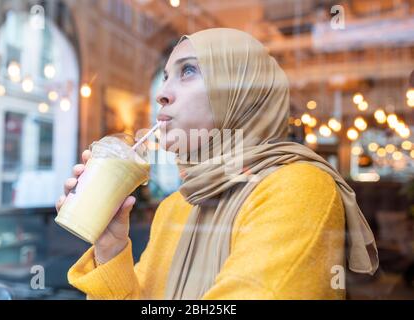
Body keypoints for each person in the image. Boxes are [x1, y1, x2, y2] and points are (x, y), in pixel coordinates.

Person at [56, 28, 378, 300]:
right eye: (166, 76)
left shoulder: (299, 189)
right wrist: (111, 246)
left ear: (241, 93)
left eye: (189, 71)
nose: (163, 94)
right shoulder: (176, 206)